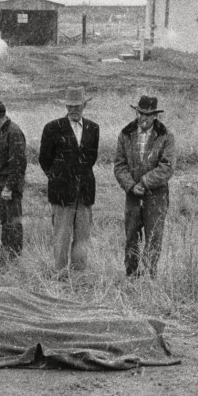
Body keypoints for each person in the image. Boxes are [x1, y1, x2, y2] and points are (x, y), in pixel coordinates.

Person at [113, 95, 176, 277]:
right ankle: (132, 276)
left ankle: (150, 276)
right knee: (132, 236)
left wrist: (145, 182)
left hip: (156, 195)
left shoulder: (165, 136)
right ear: (137, 112)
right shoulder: (126, 134)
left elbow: (167, 167)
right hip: (132, 194)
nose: (143, 118)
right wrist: (131, 186)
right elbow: (119, 165)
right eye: (141, 113)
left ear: (155, 115)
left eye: (148, 115)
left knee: (154, 236)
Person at [39, 87, 99, 274]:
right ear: (65, 105)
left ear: (84, 105)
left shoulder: (93, 128)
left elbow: (91, 158)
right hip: (62, 192)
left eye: (77, 105)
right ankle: (60, 274)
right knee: (62, 235)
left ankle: (79, 274)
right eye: (70, 105)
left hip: (85, 192)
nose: (74, 109)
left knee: (83, 236)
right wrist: (59, 178)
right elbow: (44, 159)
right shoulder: (52, 127)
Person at [0, 100, 27, 262]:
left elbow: (18, 164)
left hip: (11, 185)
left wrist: (9, 187)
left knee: (13, 220)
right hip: (2, 182)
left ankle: (14, 257)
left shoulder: (14, 132)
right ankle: (5, 252)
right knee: (4, 219)